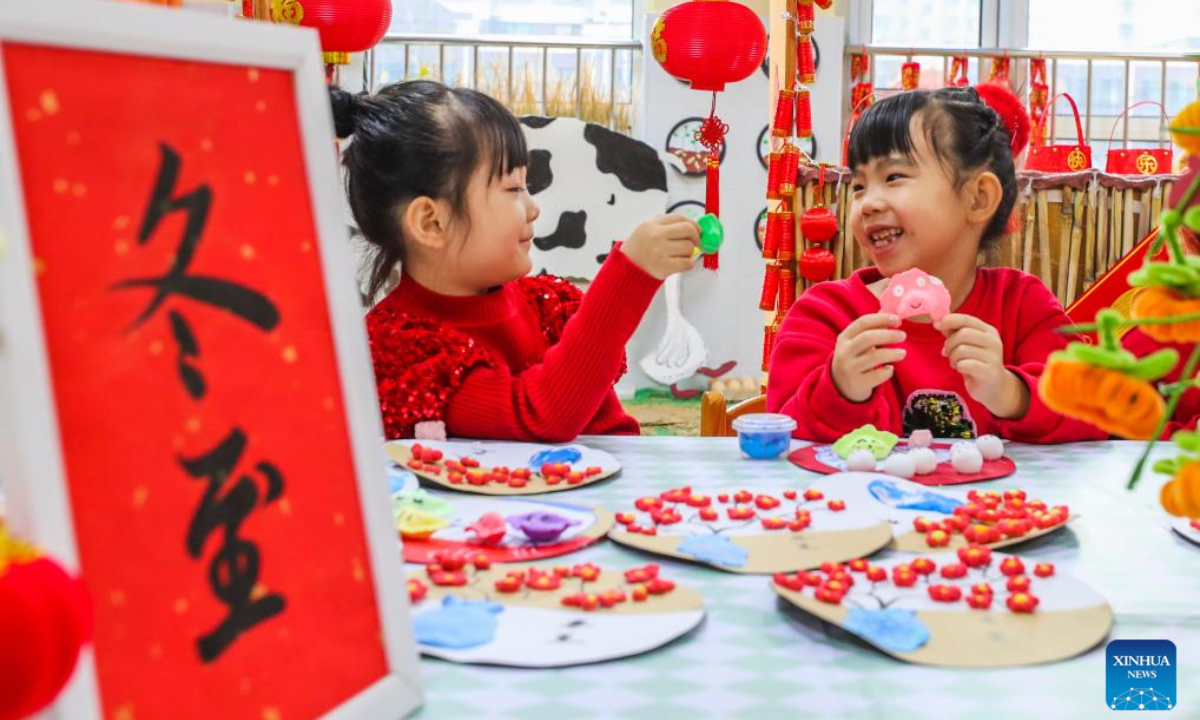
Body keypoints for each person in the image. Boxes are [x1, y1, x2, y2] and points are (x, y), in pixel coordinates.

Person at [331, 81, 699, 441]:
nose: (534, 207)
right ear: (432, 222)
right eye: (512, 189)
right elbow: (541, 415)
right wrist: (629, 275)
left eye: (527, 186)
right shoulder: (401, 352)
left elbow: (614, 435)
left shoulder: (546, 307)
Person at [766, 85, 1107, 443]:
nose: (867, 204)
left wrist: (1011, 393)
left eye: (893, 177)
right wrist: (839, 387)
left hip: (995, 500)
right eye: (859, 185)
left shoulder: (1022, 306)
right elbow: (780, 439)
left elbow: (1095, 412)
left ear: (978, 198)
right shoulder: (826, 314)